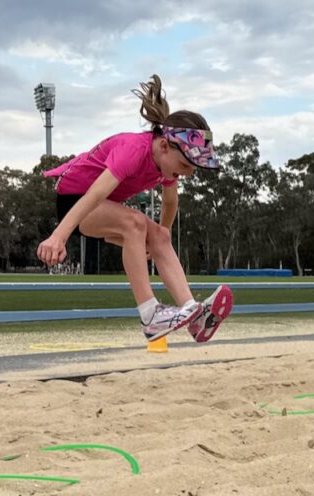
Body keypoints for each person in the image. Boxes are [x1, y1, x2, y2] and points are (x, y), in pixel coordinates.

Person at [38, 75, 233, 343]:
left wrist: (159, 240)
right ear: (164, 146)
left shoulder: (165, 164)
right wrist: (59, 236)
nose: (187, 174)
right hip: (75, 200)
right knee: (135, 223)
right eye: (186, 165)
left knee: (159, 234)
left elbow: (170, 202)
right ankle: (150, 316)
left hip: (102, 204)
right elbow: (95, 194)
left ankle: (194, 316)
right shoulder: (132, 149)